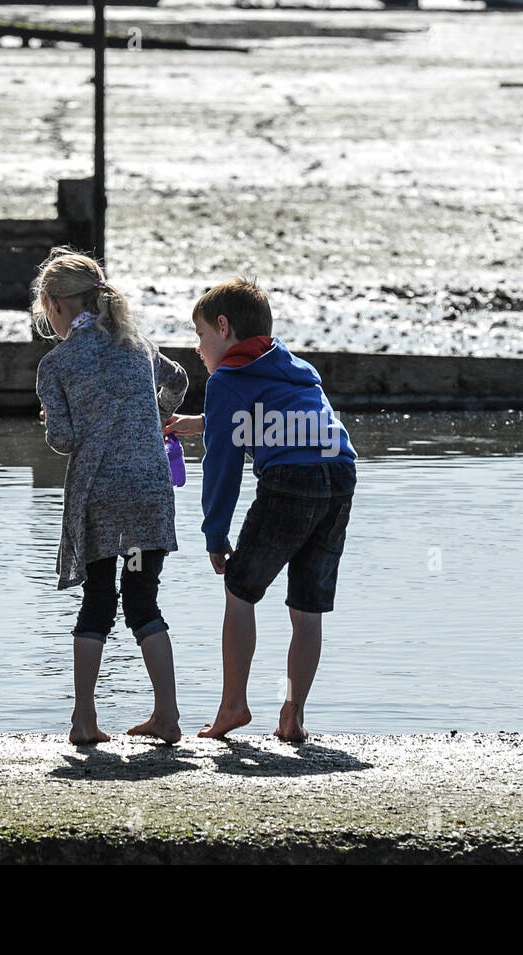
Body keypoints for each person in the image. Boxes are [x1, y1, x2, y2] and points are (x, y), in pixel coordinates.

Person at [164, 278, 357, 742]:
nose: (197, 347)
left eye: (201, 335)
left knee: (240, 590)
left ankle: (233, 706)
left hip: (291, 481)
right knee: (307, 607)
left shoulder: (226, 379)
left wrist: (215, 534)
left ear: (224, 328)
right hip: (340, 472)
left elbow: (222, 468)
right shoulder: (295, 365)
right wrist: (204, 422)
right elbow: (276, 411)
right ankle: (293, 713)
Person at [34, 250, 189, 745]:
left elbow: (63, 440)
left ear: (56, 306)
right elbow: (180, 380)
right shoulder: (137, 344)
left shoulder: (57, 363)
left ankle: (84, 720)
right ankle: (167, 716)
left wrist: (58, 423)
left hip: (99, 495)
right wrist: (153, 415)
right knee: (143, 600)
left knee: (98, 600)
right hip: (147, 490)